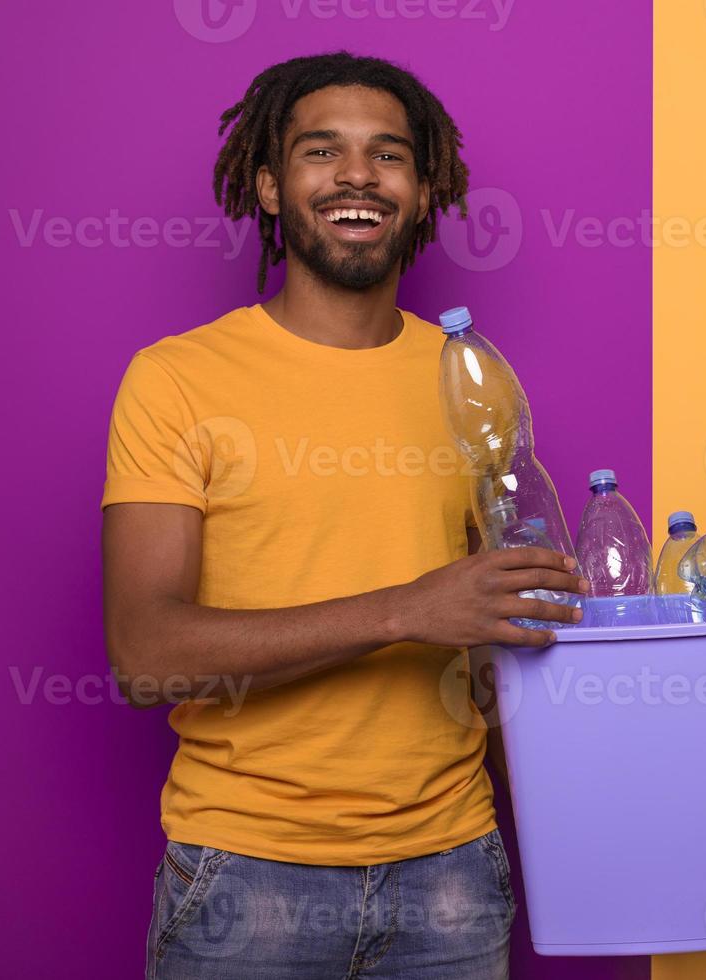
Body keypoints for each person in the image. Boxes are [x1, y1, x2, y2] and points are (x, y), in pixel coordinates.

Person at [99, 51, 585, 979]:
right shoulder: (174, 381)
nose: (358, 175)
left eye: (388, 155)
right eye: (321, 151)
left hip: (453, 878)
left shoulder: (478, 383)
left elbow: (493, 630)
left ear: (425, 186)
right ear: (271, 185)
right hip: (243, 880)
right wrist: (405, 611)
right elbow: (145, 657)